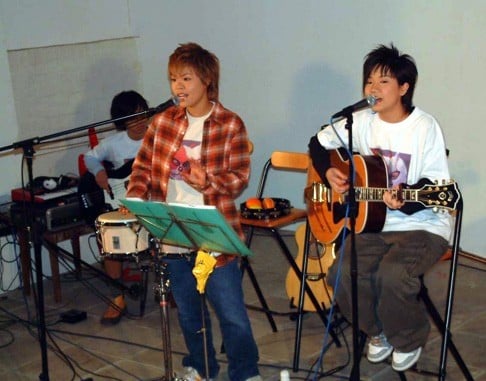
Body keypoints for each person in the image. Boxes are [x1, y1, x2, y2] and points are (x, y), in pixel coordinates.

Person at [308, 44, 452, 372]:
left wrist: (408, 196)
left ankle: (409, 336)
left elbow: (437, 189)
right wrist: (328, 171)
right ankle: (377, 331)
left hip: (424, 225)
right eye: (369, 81)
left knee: (392, 274)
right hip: (374, 224)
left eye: (383, 81)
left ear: (404, 87)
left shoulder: (424, 127)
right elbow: (317, 143)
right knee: (341, 273)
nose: (373, 89)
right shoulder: (358, 122)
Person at [126, 42, 261, 381]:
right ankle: (201, 368)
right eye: (173, 79)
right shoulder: (162, 123)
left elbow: (239, 178)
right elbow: (142, 168)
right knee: (189, 315)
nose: (178, 87)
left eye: (186, 78)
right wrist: (135, 201)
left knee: (232, 315)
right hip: (173, 234)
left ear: (207, 81)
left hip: (214, 238)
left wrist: (209, 181)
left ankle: (245, 373)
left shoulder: (230, 124)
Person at [82, 90, 150, 325]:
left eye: (143, 114)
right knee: (109, 238)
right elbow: (89, 158)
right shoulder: (114, 144)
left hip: (153, 203)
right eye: (132, 118)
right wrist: (99, 172)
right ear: (122, 121)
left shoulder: (159, 137)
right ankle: (116, 297)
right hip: (123, 205)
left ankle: (172, 292)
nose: (140, 122)